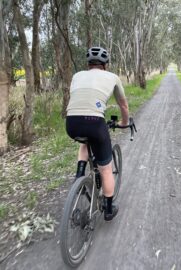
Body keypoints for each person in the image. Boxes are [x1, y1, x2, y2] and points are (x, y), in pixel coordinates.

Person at [65, 47, 129, 221]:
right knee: (106, 170)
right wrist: (124, 122)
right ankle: (108, 210)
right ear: (105, 65)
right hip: (95, 124)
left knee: (84, 141)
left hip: (71, 123)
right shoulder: (113, 77)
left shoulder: (77, 76)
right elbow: (123, 105)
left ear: (88, 64)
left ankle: (79, 175)